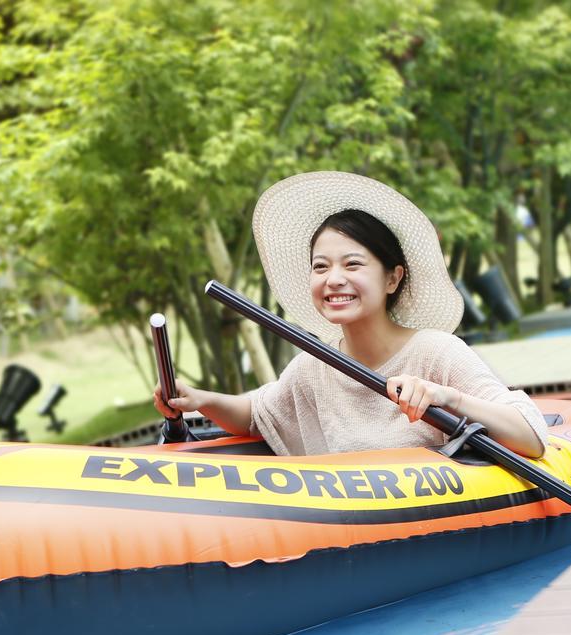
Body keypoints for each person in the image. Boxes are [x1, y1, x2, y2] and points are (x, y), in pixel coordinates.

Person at [154, 171, 547, 458]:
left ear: (393, 278)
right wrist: (198, 398)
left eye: (353, 264)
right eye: (320, 267)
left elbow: (530, 435)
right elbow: (259, 413)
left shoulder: (437, 353)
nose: (333, 280)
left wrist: (446, 398)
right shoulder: (316, 366)